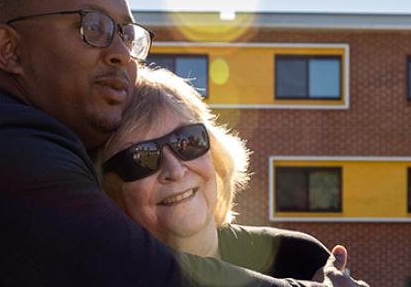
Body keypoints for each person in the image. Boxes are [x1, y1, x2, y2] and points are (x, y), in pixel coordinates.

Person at [0, 0, 366, 285]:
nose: (120, 53)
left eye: (125, 34)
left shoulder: (298, 256)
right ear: (10, 49)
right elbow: (133, 272)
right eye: (92, 27)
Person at [98, 67, 370, 286]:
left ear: (214, 153)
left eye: (188, 141)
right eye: (141, 157)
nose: (176, 170)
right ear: (105, 187)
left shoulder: (297, 256)